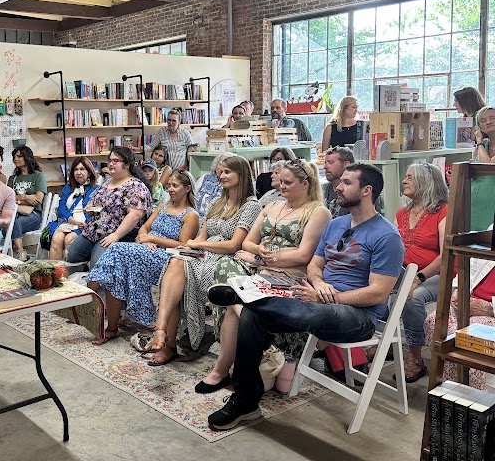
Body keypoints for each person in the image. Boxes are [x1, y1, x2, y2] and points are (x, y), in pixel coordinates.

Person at [206, 164, 404, 431]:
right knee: (252, 317)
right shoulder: (337, 225)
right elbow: (314, 265)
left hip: (356, 316)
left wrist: (330, 298)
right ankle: (246, 402)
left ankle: (245, 296)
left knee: (289, 310)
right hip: (316, 297)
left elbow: (378, 292)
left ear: (366, 191)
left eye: (346, 183)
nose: (337, 186)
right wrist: (319, 283)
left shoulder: (387, 236)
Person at [198, 159, 330, 393]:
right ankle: (228, 362)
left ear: (305, 183)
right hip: (261, 269)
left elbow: (303, 255)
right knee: (226, 265)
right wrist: (258, 251)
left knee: (233, 305)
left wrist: (260, 257)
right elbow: (248, 242)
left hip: (289, 275)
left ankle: (221, 369)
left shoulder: (317, 211)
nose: (281, 186)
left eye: (288, 182)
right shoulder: (272, 207)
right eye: (281, 181)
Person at [148, 155, 261, 365]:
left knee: (180, 273)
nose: (221, 176)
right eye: (220, 171)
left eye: (227, 171)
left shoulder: (250, 205)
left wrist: (198, 245)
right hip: (205, 253)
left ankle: (167, 340)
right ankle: (162, 332)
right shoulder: (218, 202)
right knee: (175, 262)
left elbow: (234, 244)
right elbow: (200, 237)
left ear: (242, 174)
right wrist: (189, 246)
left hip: (227, 259)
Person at [88, 170, 199, 345]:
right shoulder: (163, 206)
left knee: (116, 250)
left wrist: (152, 239)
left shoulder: (190, 215)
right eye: (169, 185)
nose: (170, 189)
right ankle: (110, 325)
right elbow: (143, 228)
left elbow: (183, 244)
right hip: (146, 249)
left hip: (167, 257)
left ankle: (91, 291)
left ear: (187, 188)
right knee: (115, 270)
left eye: (175, 186)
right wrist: (145, 240)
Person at [395, 162, 447, 382]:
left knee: (411, 297)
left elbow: (445, 256)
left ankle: (415, 359)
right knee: (373, 286)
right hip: (404, 271)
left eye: (410, 177)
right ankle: (382, 343)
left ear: (426, 181)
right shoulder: (401, 213)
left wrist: (418, 277)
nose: (404, 180)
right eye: (405, 176)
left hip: (439, 275)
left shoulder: (443, 211)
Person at [66, 146, 152, 269]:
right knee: (72, 255)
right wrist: (90, 208)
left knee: (98, 264)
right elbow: (95, 201)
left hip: (118, 234)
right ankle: (81, 283)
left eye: (115, 161)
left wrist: (116, 235)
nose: (111, 164)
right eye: (110, 160)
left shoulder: (136, 187)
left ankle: (97, 284)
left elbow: (135, 215)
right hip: (94, 230)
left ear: (127, 164)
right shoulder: (108, 182)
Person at [425, 257, 495, 390]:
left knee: (469, 338)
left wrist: (490, 307)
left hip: (490, 311)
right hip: (468, 301)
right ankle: (448, 389)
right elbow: (468, 268)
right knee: (434, 322)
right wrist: (457, 291)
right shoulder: (486, 242)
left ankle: (472, 397)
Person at [48, 156, 99, 261]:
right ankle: (55, 273)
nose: (78, 172)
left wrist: (84, 223)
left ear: (89, 172)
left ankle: (67, 274)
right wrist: (71, 220)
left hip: (84, 226)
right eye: (76, 169)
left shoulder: (97, 189)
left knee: (69, 239)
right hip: (68, 222)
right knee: (57, 238)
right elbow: (61, 208)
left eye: (82, 169)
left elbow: (97, 213)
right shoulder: (68, 188)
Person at [7, 146, 47, 262]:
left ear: (27, 157)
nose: (15, 159)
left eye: (19, 156)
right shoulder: (13, 178)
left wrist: (17, 199)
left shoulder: (38, 176)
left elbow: (38, 199)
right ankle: (18, 252)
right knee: (11, 221)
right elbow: (8, 198)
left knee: (13, 223)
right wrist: (25, 198)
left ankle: (19, 252)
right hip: (15, 212)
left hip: (34, 214)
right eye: (14, 156)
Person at [471, 106, 495, 232]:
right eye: (483, 120)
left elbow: (488, 167)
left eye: (492, 118)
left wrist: (479, 142)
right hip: (475, 203)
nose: (488, 122)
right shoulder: (482, 146)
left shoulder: (480, 145)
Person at [322, 146, 355, 218]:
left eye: (330, 162)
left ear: (346, 165)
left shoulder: (355, 192)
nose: (325, 166)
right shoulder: (321, 189)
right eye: (325, 163)